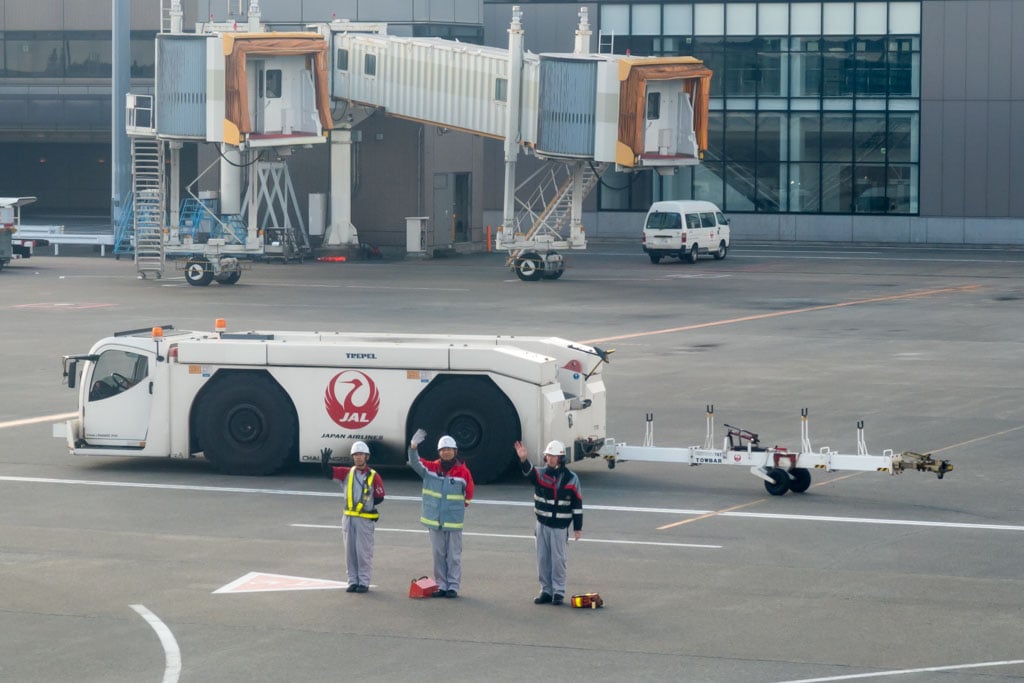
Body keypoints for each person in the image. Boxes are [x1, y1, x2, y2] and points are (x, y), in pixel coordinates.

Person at [514, 439, 582, 606]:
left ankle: (558, 592)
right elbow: (529, 473)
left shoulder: (572, 479)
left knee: (558, 560)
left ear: (561, 458)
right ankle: (546, 591)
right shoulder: (541, 474)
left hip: (560, 526)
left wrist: (578, 528)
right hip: (542, 524)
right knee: (543, 558)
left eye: (554, 456)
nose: (551, 459)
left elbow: (577, 505)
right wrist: (523, 459)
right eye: (549, 456)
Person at [408, 430, 475, 598]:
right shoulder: (430, 469)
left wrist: (460, 508)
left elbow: (469, 491)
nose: (446, 452)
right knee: (438, 554)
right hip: (435, 521)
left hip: (453, 522)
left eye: (449, 449)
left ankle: (453, 586)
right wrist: (413, 447)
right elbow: (415, 463)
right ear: (439, 452)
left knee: (453, 556)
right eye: (443, 450)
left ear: (455, 451)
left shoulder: (463, 472)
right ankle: (441, 585)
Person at [322, 441, 385, 594]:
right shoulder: (347, 473)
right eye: (355, 455)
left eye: (361, 454)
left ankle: (363, 582)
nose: (358, 457)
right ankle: (352, 581)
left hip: (364, 520)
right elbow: (330, 473)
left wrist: (367, 507)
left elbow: (379, 496)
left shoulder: (373, 476)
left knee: (363, 552)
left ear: (366, 457)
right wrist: (324, 464)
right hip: (348, 519)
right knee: (350, 553)